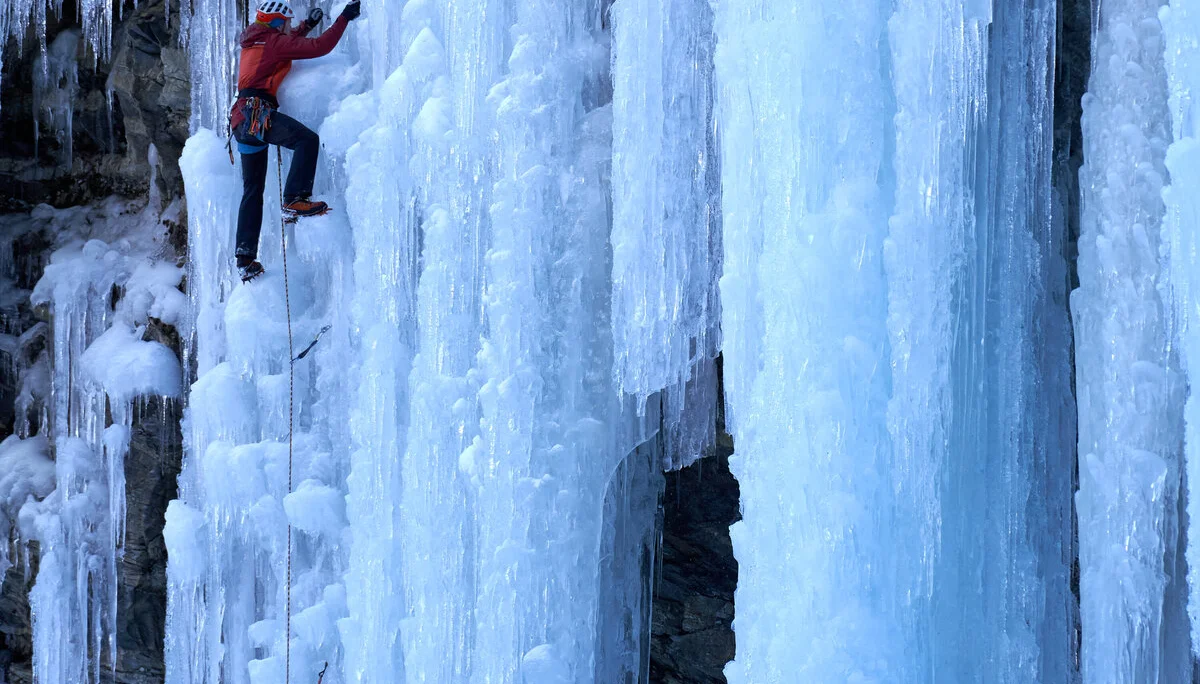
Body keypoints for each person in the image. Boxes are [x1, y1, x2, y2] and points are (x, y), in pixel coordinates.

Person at [230, 0, 362, 282]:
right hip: (258, 114)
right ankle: (295, 199)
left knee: (252, 190)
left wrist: (307, 26)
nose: (289, 27)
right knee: (307, 141)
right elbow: (319, 48)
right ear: (278, 22)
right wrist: (344, 18)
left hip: (242, 121)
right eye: (287, 23)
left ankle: (245, 258)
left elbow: (281, 48)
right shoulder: (272, 41)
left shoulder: (257, 40)